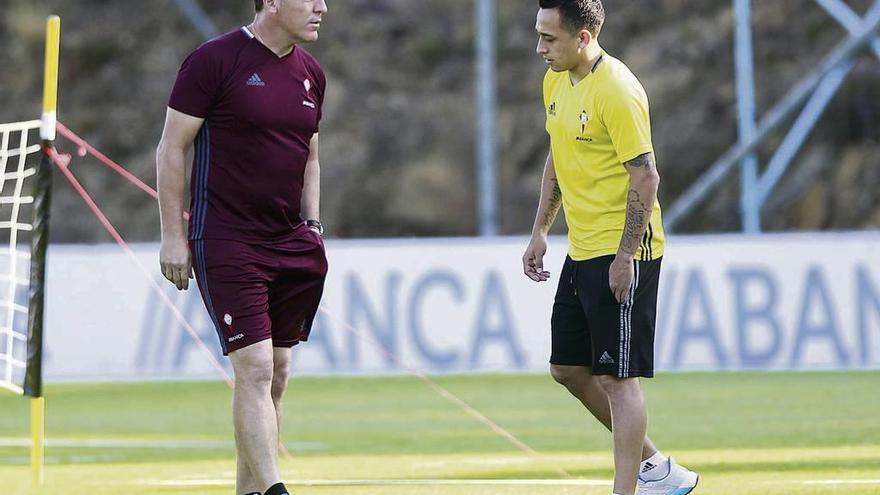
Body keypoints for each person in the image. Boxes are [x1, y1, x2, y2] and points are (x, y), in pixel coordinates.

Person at [522, 1, 699, 494]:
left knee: (619, 380)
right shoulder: (555, 81)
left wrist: (625, 258)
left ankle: (628, 490)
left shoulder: (618, 90)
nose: (540, 47)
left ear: (582, 38)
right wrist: (540, 230)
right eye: (538, 35)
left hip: (624, 251)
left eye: (549, 38)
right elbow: (557, 159)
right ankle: (657, 469)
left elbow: (645, 177)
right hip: (582, 248)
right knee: (568, 368)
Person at [157, 1, 329, 494]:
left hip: (292, 242)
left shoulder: (312, 74)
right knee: (252, 368)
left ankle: (249, 491)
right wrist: (173, 234)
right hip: (228, 239)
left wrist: (313, 224)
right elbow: (172, 147)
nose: (322, 7)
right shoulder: (213, 61)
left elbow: (311, 155)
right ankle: (276, 490)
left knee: (276, 372)